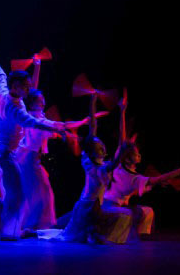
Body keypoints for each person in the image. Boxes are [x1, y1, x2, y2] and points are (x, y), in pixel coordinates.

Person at [0, 45, 66, 240]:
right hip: (3, 155)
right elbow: (33, 122)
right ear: (16, 86)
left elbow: (0, 72)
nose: (29, 89)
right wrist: (55, 128)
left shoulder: (4, 92)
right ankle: (1, 230)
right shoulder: (14, 110)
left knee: (3, 192)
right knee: (17, 194)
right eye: (26, 86)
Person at [101, 92, 180, 240]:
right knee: (128, 213)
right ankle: (115, 237)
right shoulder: (122, 169)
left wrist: (123, 110)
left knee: (148, 211)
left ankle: (142, 237)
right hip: (108, 206)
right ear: (127, 158)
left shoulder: (133, 175)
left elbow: (153, 182)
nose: (139, 155)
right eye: (136, 154)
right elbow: (122, 137)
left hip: (118, 206)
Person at [54, 93, 131, 244]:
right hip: (89, 208)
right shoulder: (96, 167)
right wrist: (119, 112)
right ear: (91, 151)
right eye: (98, 146)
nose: (102, 146)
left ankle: (93, 232)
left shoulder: (96, 164)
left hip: (89, 206)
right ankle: (95, 233)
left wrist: (94, 103)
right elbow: (118, 148)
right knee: (123, 216)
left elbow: (93, 127)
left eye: (101, 144)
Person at [18, 87, 95, 233]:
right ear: (32, 104)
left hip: (29, 159)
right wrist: (82, 122)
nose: (43, 102)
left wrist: (70, 135)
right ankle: (34, 224)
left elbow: (55, 131)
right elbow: (62, 126)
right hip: (28, 160)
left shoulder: (35, 118)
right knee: (40, 192)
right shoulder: (36, 119)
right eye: (39, 101)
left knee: (36, 192)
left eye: (43, 100)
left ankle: (31, 224)